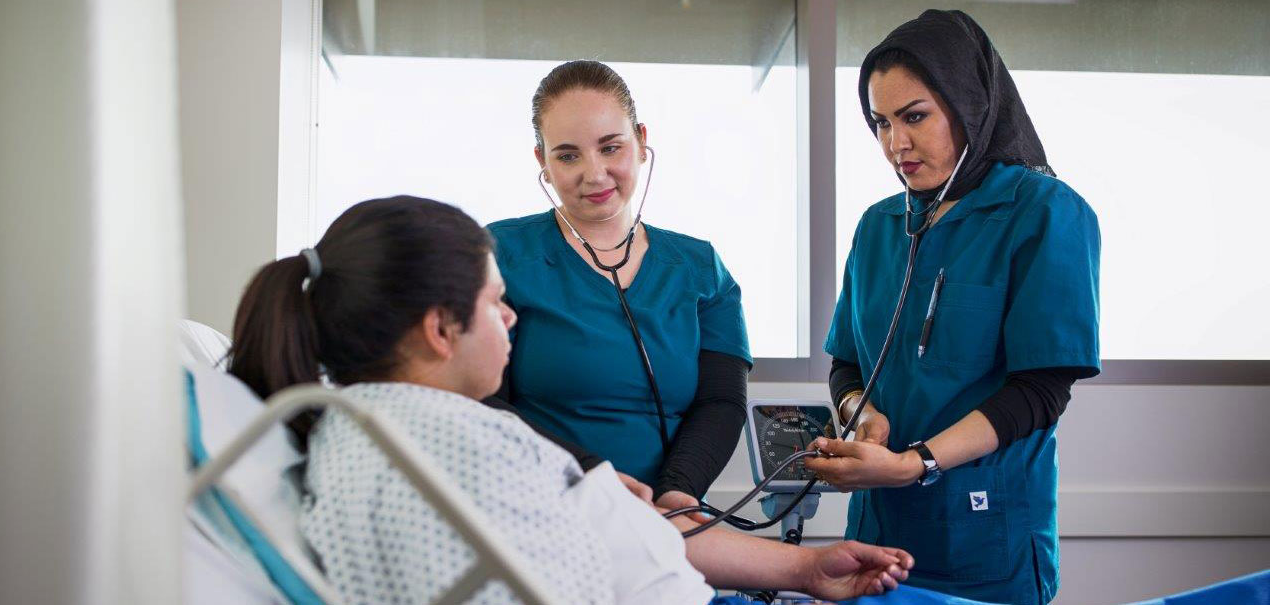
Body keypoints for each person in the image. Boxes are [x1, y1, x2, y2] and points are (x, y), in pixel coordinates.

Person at [226, 195, 913, 604]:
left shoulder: (373, 428)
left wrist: (800, 567)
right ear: (441, 329)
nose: (515, 317)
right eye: (497, 304)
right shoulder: (468, 448)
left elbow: (617, 535)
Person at [802, 10, 1100, 605]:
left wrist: (915, 464)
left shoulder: (1045, 213)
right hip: (877, 537)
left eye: (915, 117)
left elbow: (1041, 390)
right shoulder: (880, 226)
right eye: (880, 122)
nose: (895, 144)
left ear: (971, 106)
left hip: (986, 539)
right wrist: (860, 413)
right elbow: (848, 364)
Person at [486, 60, 751, 514]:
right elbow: (484, 404)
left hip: (669, 516)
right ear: (542, 163)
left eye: (611, 147)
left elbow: (721, 402)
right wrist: (593, 480)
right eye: (568, 155)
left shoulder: (700, 268)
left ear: (642, 142)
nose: (595, 173)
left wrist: (676, 497)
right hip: (538, 510)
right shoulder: (499, 255)